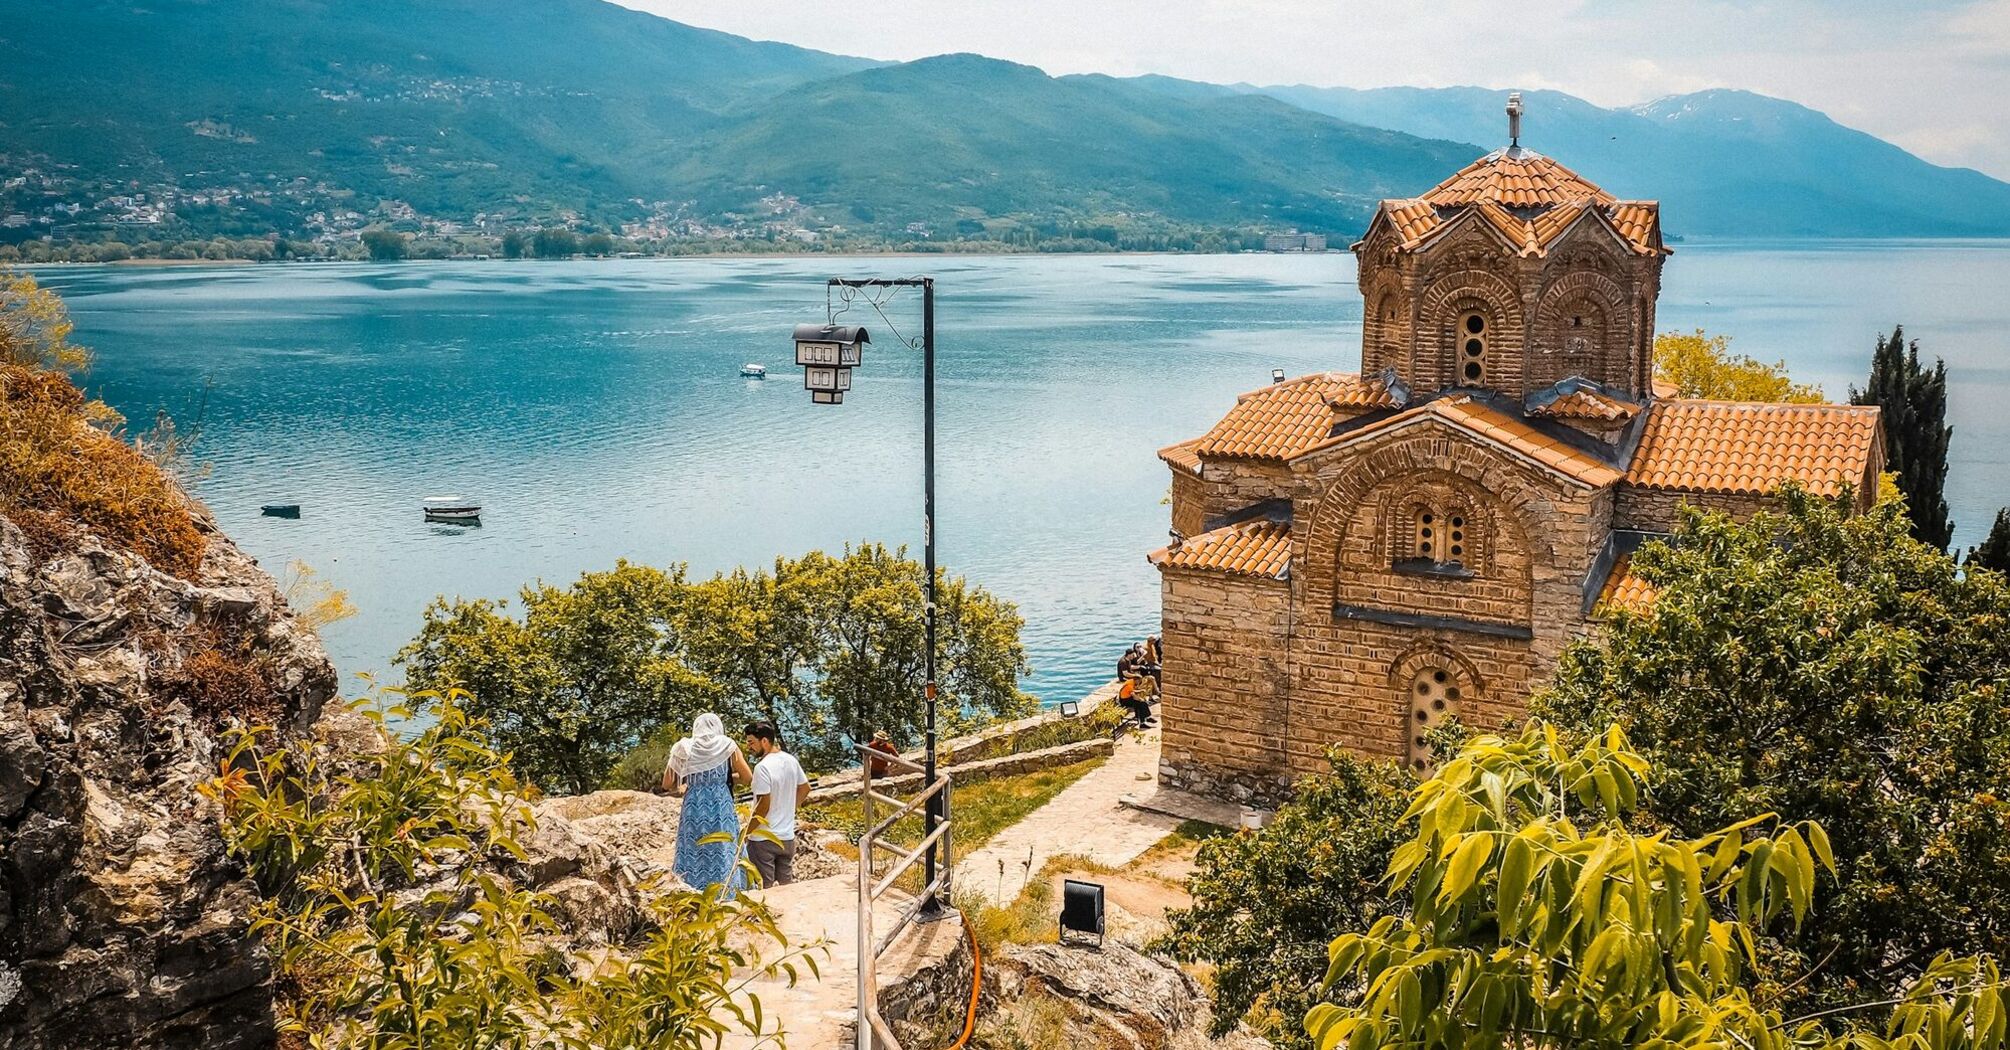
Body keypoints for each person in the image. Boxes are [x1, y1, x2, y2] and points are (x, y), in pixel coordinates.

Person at [662, 713, 753, 899]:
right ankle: (728, 893)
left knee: (694, 847)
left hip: (694, 804)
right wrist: (724, 779)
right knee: (723, 846)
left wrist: (690, 781)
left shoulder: (683, 747)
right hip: (721, 803)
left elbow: (667, 783)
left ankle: (692, 893)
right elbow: (747, 777)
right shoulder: (727, 745)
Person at [744, 720, 810, 887]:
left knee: (763, 889)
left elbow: (762, 807)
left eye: (751, 742)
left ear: (764, 741)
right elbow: (805, 788)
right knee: (786, 887)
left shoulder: (762, 768)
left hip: (763, 839)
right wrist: (789, 809)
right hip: (786, 838)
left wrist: (745, 833)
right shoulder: (790, 760)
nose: (748, 747)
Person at [1116, 643, 1156, 728]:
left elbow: (1133, 692)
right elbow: (1133, 695)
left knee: (1142, 703)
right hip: (1125, 701)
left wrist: (1140, 691)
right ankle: (1143, 721)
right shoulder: (1129, 683)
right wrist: (1140, 699)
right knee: (1141, 703)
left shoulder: (1132, 682)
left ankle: (1146, 719)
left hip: (1128, 698)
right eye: (1138, 681)